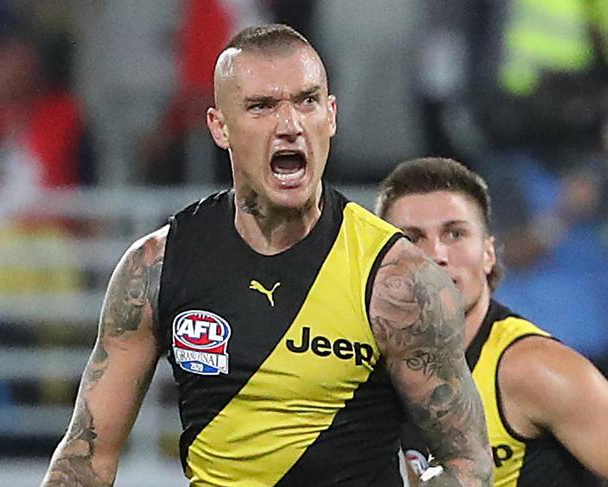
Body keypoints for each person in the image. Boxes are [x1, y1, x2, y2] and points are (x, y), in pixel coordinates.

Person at [41, 25, 492, 486]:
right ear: (220, 127)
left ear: (331, 116)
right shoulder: (156, 268)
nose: (290, 125)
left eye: (307, 101)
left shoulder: (398, 281)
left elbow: (467, 464)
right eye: (262, 107)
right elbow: (87, 459)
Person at [376, 157, 608, 486]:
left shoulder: (536, 371)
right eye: (412, 239)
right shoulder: (357, 369)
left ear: (489, 253)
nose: (436, 254)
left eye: (454, 234)